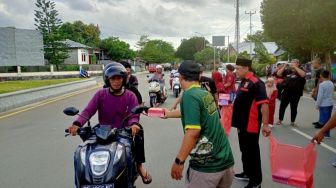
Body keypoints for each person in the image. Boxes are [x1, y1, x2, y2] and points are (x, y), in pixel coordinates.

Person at [68, 62, 152, 184]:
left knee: (130, 149)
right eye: (113, 78)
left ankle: (138, 168)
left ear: (124, 79)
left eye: (119, 78)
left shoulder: (130, 96)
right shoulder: (100, 94)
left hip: (123, 132)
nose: (116, 81)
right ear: (108, 80)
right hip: (102, 132)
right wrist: (77, 124)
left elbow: (134, 116)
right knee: (80, 152)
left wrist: (134, 124)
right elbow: (88, 111)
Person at [163, 60, 234, 188]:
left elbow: (193, 133)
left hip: (207, 166)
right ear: (199, 76)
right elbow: (194, 113)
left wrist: (179, 161)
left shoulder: (189, 95)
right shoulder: (204, 93)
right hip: (225, 161)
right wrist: (167, 113)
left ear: (180, 77)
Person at [232, 58, 271, 188]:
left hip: (251, 125)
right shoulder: (244, 81)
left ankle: (256, 181)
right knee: (244, 150)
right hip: (241, 124)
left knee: (252, 153)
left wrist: (265, 125)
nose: (236, 71)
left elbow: (264, 105)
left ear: (246, 68)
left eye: (238, 68)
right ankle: (247, 173)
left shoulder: (256, 83)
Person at [276, 59, 306, 126]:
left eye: (294, 62)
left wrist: (295, 67)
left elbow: (303, 75)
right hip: (286, 91)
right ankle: (280, 120)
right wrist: (284, 66)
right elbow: (278, 73)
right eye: (292, 62)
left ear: (298, 63)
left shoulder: (301, 70)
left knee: (294, 107)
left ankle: (292, 122)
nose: (292, 64)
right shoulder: (287, 70)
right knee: (282, 106)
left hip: (296, 93)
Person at [314, 71, 334, 136]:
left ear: (321, 76)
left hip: (323, 104)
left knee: (324, 120)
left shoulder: (322, 85)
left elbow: (320, 96)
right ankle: (327, 133)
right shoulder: (331, 83)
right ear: (329, 76)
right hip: (330, 103)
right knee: (328, 119)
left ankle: (325, 133)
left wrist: (317, 104)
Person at [311, 58, 325, 126]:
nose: (312, 64)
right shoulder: (318, 70)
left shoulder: (321, 70)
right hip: (318, 89)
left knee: (321, 106)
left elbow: (320, 81)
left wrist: (316, 90)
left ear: (317, 63)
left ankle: (322, 122)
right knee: (320, 106)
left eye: (313, 63)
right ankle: (320, 120)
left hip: (320, 89)